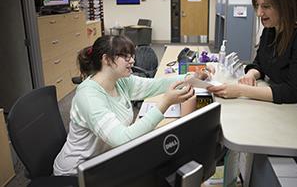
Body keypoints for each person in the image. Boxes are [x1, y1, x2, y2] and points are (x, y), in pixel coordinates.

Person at [207, 0, 297, 183]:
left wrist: (241, 90)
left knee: (288, 177)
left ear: (287, 6)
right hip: (280, 112)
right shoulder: (271, 30)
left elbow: (292, 91)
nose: (259, 12)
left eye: (266, 7)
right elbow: (260, 64)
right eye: (257, 6)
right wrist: (251, 74)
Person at [54, 35, 211, 176]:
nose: (132, 61)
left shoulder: (120, 81)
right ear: (106, 59)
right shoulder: (88, 97)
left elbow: (157, 85)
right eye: (125, 56)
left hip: (105, 159)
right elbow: (122, 139)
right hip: (78, 172)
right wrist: (165, 103)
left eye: (131, 56)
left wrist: (192, 77)